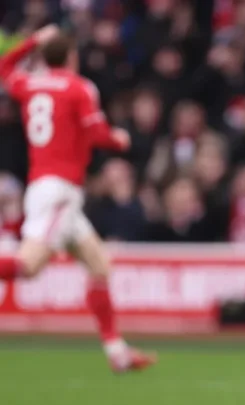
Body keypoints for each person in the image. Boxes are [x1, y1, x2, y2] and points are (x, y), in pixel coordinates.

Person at [0, 25, 156, 373]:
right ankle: (118, 353)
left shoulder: (30, 84)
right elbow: (98, 133)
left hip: (52, 190)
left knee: (99, 264)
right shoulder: (79, 87)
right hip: (57, 192)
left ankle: (118, 354)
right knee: (28, 266)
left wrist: (31, 42)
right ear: (71, 56)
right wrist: (120, 140)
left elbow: (4, 69)